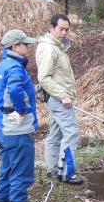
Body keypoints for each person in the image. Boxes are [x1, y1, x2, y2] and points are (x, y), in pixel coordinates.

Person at [0, 29, 45, 202]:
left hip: (3, 126)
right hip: (17, 129)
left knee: (7, 168)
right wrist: (20, 109)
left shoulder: (1, 66)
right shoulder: (15, 67)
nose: (28, 47)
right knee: (21, 169)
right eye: (25, 44)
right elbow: (13, 89)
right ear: (15, 47)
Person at [36, 14, 84, 185]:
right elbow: (44, 78)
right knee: (71, 133)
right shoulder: (49, 48)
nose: (64, 33)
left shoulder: (57, 47)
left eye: (66, 30)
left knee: (56, 133)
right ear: (52, 28)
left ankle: (52, 169)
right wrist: (63, 95)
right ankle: (67, 173)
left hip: (58, 98)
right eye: (61, 29)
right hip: (58, 99)